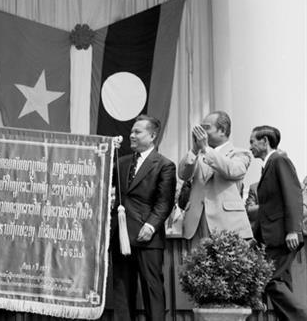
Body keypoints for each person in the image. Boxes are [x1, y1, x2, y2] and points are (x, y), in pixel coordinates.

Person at [110, 115, 176, 321]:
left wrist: (151, 226)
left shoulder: (164, 165)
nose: (132, 135)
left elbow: (164, 202)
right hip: (120, 236)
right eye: (131, 131)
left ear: (152, 135)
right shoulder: (120, 162)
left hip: (147, 237)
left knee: (152, 289)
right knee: (122, 291)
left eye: (137, 132)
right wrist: (106, 151)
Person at [249, 125, 307, 320]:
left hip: (284, 236)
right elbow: (268, 207)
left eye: (252, 142)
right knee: (281, 281)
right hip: (273, 237)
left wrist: (293, 230)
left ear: (265, 141)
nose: (250, 147)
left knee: (269, 279)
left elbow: (293, 196)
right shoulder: (269, 164)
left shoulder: (279, 160)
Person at [178, 111, 252, 245]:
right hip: (198, 222)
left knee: (228, 265)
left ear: (222, 130)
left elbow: (233, 171)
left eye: (205, 127)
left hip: (228, 223)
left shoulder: (240, 153)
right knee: (198, 264)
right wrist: (195, 150)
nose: (200, 132)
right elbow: (183, 174)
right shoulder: (198, 155)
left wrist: (206, 148)